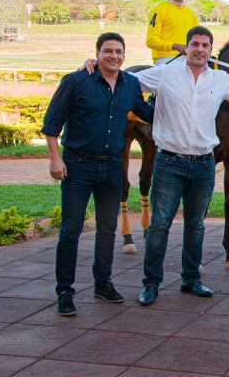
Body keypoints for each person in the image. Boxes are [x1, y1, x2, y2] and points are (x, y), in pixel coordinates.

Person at [134, 26, 229, 305]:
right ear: (187, 47)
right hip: (169, 161)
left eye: (205, 45)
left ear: (210, 50)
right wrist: (96, 64)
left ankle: (191, 279)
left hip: (203, 164)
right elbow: (127, 81)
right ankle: (151, 283)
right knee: (159, 226)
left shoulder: (219, 79)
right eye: (195, 44)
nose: (200, 49)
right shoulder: (166, 74)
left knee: (196, 225)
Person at [41, 32, 153, 316]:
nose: (113, 56)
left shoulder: (130, 84)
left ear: (124, 56)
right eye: (108, 51)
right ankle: (65, 291)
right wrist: (55, 160)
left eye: (118, 51)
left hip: (112, 167)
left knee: (107, 229)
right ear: (97, 53)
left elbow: (148, 112)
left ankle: (102, 283)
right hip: (77, 165)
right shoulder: (77, 81)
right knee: (71, 229)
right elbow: (51, 124)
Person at [146, 0, 199, 65]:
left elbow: (198, 38)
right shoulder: (158, 10)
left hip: (187, 58)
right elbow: (151, 41)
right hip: (166, 59)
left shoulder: (191, 13)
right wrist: (175, 46)